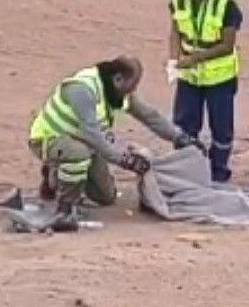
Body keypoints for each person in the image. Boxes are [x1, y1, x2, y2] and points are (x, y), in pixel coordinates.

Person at [27, 55, 200, 231]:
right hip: (50, 138)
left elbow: (149, 115)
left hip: (83, 141)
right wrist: (125, 160)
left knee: (105, 196)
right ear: (117, 79)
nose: (130, 93)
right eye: (130, 88)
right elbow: (94, 136)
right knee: (78, 155)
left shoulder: (116, 91)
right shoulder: (82, 90)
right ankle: (64, 210)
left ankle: (57, 177)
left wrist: (179, 137)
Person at [167, 0, 243, 183]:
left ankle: (218, 171)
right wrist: (175, 59)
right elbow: (176, 30)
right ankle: (187, 168)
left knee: (221, 129)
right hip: (189, 77)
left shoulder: (225, 4)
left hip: (219, 78)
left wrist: (195, 58)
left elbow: (227, 45)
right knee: (184, 124)